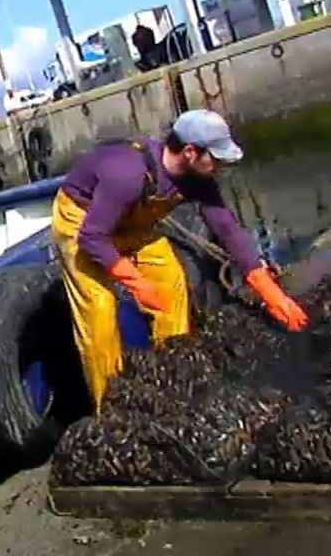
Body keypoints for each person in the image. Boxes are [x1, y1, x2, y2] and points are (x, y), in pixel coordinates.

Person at [51, 109, 308, 414]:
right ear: (190, 152)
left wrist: (268, 290)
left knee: (172, 285)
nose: (221, 166)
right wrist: (134, 280)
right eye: (216, 158)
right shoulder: (127, 174)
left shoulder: (197, 178)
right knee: (99, 312)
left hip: (132, 224)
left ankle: (171, 376)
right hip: (83, 221)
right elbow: (92, 237)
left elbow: (226, 227)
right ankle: (112, 409)